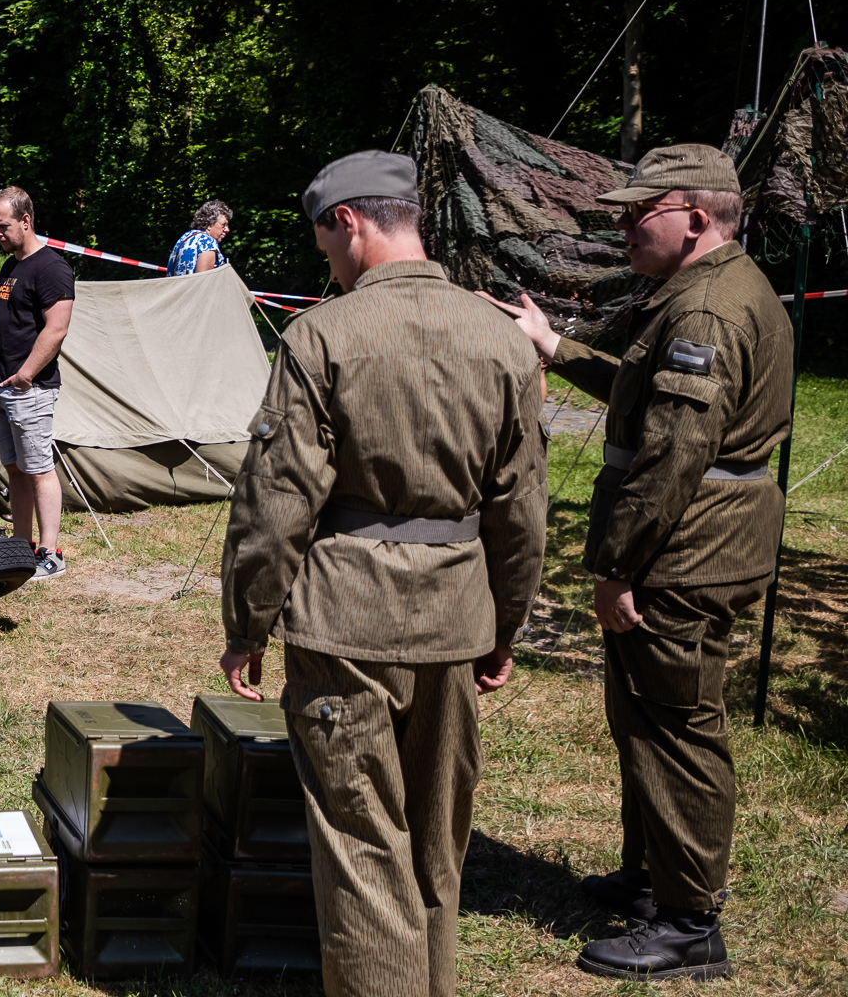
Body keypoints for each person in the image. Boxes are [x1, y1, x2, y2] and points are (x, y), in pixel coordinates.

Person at [217, 150, 546, 997]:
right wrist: (504, 626)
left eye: (324, 241)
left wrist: (247, 625)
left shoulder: (323, 335)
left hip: (347, 622)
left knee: (365, 849)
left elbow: (276, 499)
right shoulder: (502, 339)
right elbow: (522, 510)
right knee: (438, 844)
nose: (325, 260)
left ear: (348, 222)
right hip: (455, 618)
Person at [479, 144, 791, 983]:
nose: (621, 225)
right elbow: (643, 393)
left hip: (685, 554)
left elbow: (672, 454)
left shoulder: (706, 312)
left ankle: (689, 920)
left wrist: (618, 566)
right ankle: (651, 878)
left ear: (694, 216)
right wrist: (554, 345)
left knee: (677, 729)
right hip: (690, 545)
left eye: (636, 211)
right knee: (644, 720)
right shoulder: (698, 292)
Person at [0, 186, 74, 580]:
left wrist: (26, 374)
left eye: (2, 226)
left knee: (39, 470)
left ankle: (50, 554)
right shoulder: (9, 266)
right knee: (15, 469)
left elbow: (57, 329)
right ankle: (22, 547)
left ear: (25, 221)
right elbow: (2, 319)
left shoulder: (52, 268)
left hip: (28, 389)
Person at [168, 199, 233, 275]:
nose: (227, 229)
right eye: (223, 225)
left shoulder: (185, 237)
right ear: (209, 224)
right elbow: (202, 283)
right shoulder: (208, 242)